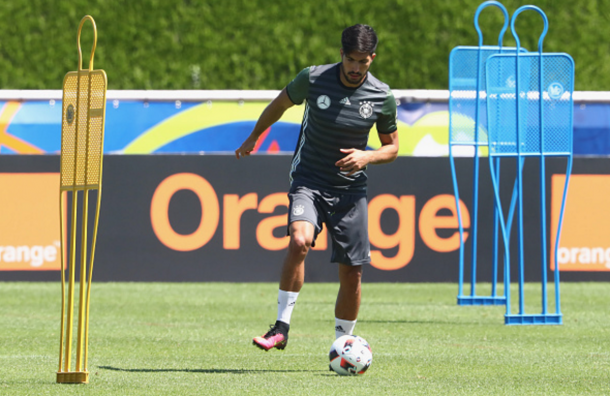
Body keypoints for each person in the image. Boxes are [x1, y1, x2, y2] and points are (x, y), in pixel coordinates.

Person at [235, 24, 399, 351]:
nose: (356, 68)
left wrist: (367, 157)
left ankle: (344, 345)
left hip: (350, 193)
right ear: (341, 55)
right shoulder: (312, 78)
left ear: (372, 59)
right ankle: (281, 327)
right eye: (351, 60)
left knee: (352, 272)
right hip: (309, 181)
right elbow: (280, 104)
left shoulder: (382, 96)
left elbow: (392, 147)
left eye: (363, 62)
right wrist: (255, 135)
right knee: (299, 241)